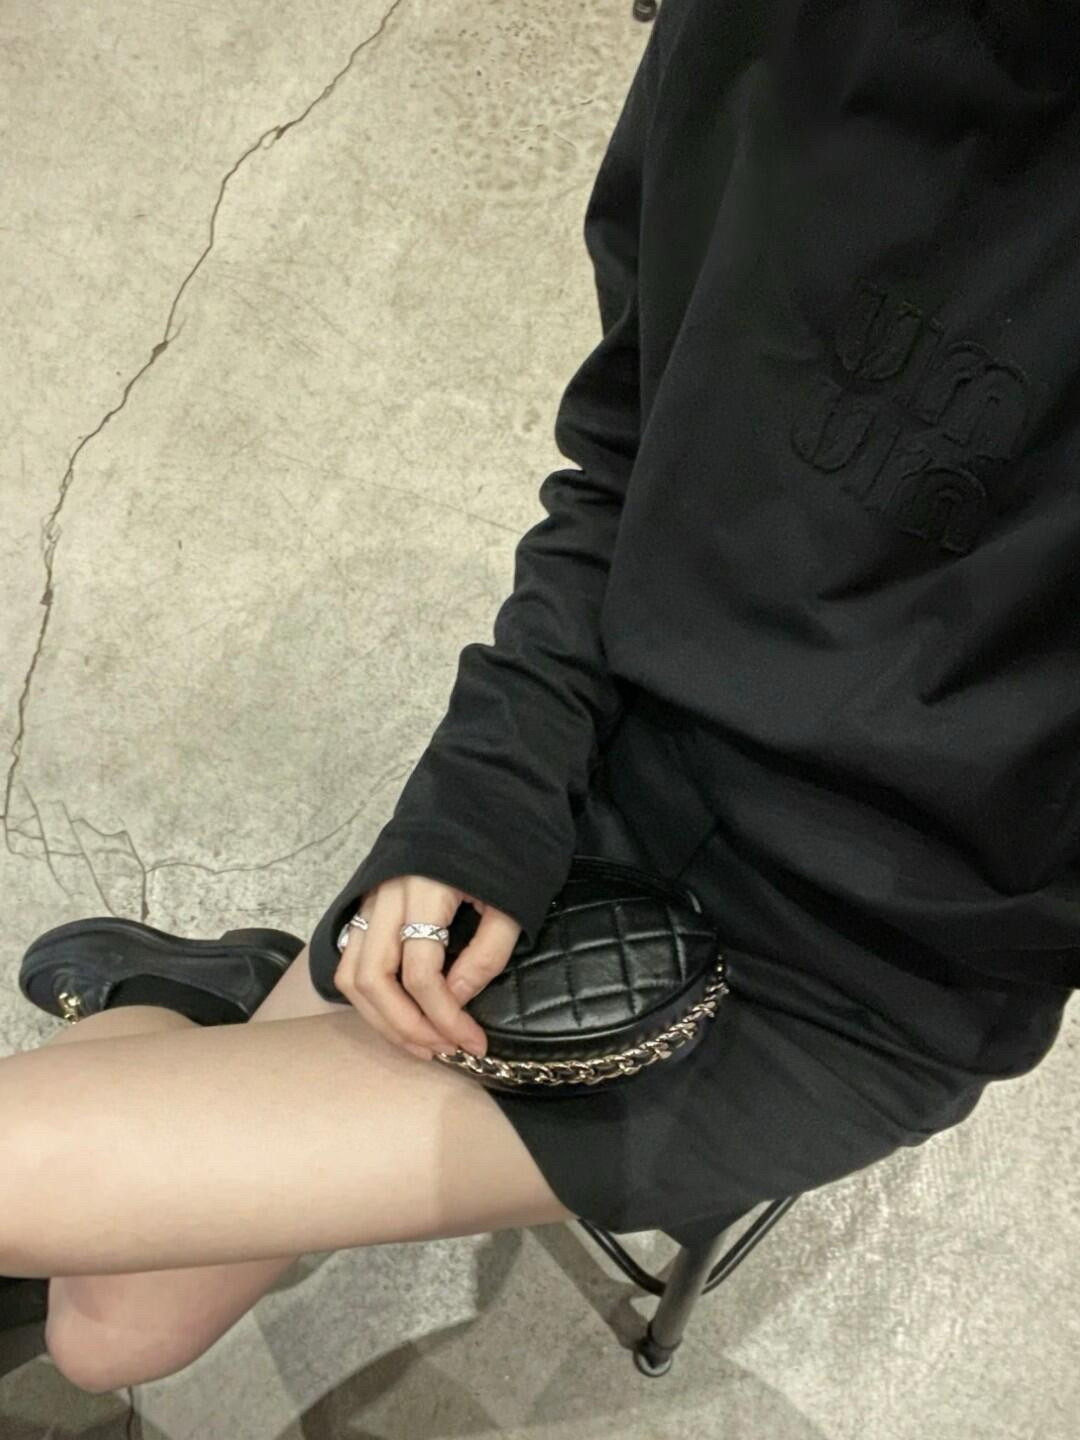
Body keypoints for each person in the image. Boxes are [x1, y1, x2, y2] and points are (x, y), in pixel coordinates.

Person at [2, 0, 1077, 1397]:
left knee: (91, 1310)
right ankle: (220, 1005)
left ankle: (221, 1012)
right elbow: (625, 448)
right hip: (611, 751)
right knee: (117, 1332)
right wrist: (493, 788)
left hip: (872, 961)